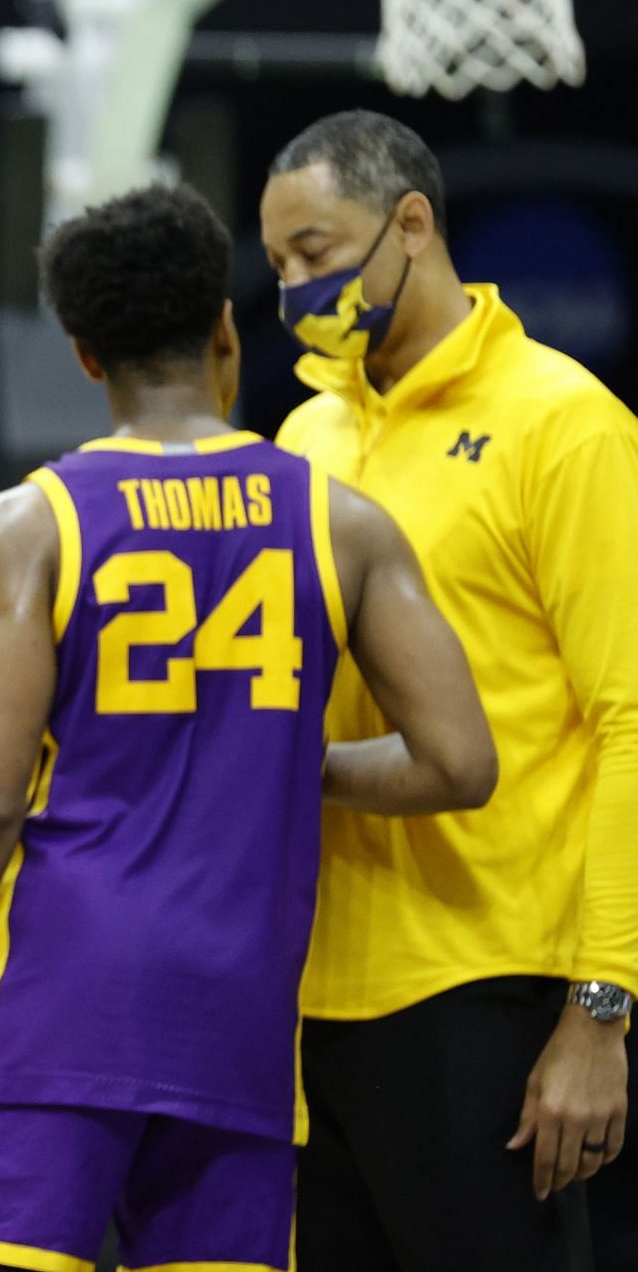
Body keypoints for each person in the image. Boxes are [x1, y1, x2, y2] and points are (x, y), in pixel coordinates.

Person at [0, 182, 496, 1272]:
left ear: (85, 354)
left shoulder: (32, 521)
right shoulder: (340, 520)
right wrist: (286, 760)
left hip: (57, 1021)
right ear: (227, 327)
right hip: (239, 1035)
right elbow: (459, 760)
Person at [264, 110, 638, 1272]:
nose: (294, 287)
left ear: (411, 224)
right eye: (278, 264)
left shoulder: (564, 421)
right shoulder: (304, 434)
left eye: (317, 253)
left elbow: (630, 719)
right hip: (310, 1003)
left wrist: (603, 1006)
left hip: (491, 995)